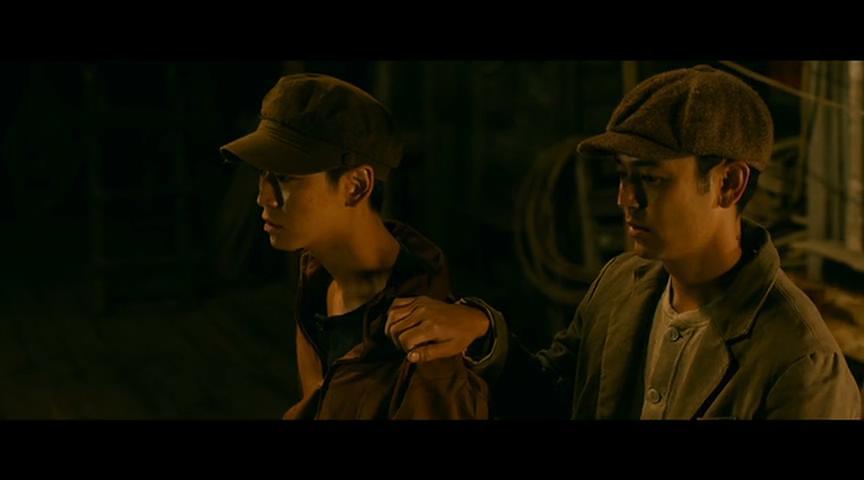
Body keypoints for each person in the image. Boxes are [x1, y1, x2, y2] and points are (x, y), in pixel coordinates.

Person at [385, 65, 862, 419]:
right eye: (623, 175)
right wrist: (485, 334)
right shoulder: (621, 285)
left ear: (729, 184)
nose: (625, 199)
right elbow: (555, 396)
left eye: (651, 178)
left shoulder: (799, 359)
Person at [220, 73, 488, 419]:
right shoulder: (320, 274)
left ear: (356, 185)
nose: (263, 197)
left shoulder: (423, 350)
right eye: (262, 173)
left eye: (285, 177)